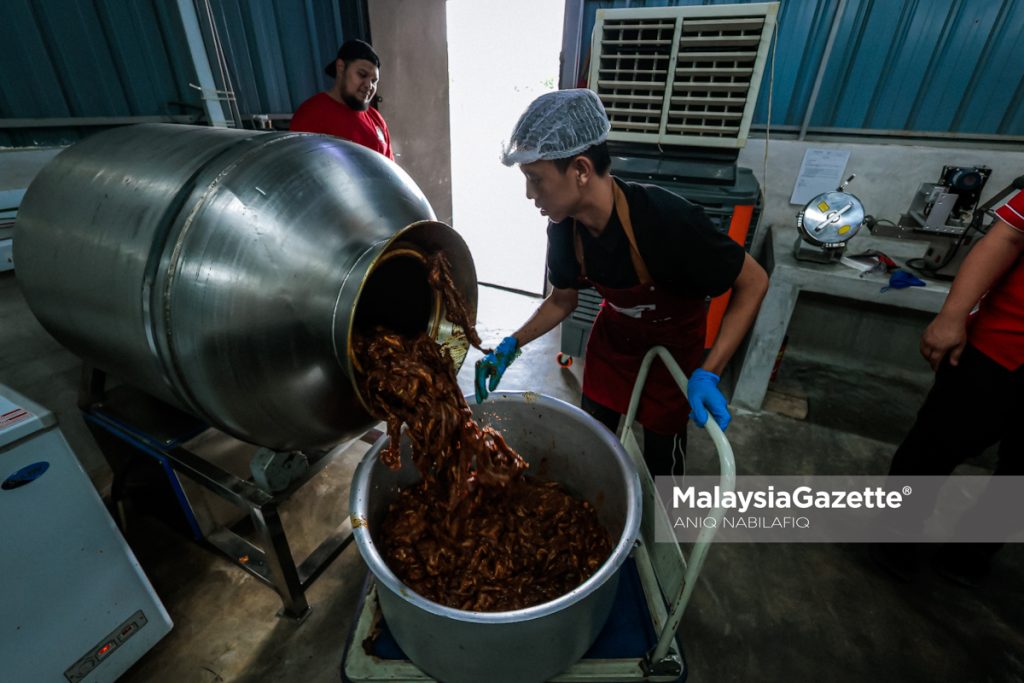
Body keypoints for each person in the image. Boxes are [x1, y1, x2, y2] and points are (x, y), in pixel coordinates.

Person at [474, 89, 769, 477]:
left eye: (535, 179)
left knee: (663, 463)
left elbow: (754, 281)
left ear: (581, 170)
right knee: (591, 443)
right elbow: (562, 300)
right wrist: (510, 345)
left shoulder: (667, 220)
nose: (529, 194)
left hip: (673, 350)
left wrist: (709, 372)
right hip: (613, 347)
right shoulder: (564, 230)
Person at [879, 183, 1024, 585]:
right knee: (935, 445)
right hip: (1000, 346)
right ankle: (896, 531)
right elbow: (1008, 238)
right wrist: (952, 316)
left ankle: (975, 548)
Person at [290, 39, 394, 160]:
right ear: (340, 68)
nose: (369, 85)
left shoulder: (377, 119)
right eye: (362, 74)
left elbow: (389, 167)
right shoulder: (312, 114)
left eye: (374, 81)